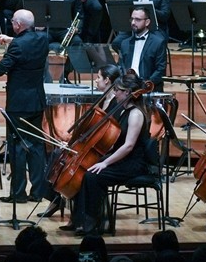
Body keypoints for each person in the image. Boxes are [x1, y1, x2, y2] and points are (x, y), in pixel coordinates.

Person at [61, 70, 152, 236]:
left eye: (118, 90)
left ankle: (93, 224)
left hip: (133, 163)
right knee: (85, 170)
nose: (115, 93)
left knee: (93, 176)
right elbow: (115, 142)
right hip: (121, 159)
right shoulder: (123, 110)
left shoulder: (136, 114)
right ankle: (80, 220)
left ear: (127, 93)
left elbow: (128, 146)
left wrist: (104, 163)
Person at [0, 9, 49, 205]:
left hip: (19, 104)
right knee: (37, 147)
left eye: (13, 22)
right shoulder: (43, 39)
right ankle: (38, 191)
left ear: (17, 25)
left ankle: (18, 193)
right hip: (37, 101)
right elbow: (28, 43)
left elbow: (0, 69)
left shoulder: (17, 45)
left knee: (17, 146)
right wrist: (11, 40)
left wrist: (8, 47)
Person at [115, 7, 168, 92]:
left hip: (149, 88)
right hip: (127, 89)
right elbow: (121, 66)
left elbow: (160, 69)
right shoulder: (125, 43)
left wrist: (145, 85)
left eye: (137, 20)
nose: (133, 22)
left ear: (147, 22)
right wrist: (125, 83)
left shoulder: (158, 42)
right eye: (132, 19)